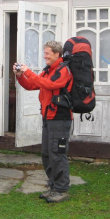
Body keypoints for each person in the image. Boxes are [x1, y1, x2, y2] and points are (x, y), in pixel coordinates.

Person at [14, 40, 73, 203]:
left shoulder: (63, 70)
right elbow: (34, 84)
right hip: (48, 117)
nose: (44, 56)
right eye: (44, 52)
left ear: (56, 54)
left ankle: (61, 189)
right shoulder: (49, 70)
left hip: (60, 119)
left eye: (47, 53)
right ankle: (53, 185)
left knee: (57, 153)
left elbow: (50, 84)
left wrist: (29, 71)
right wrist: (21, 76)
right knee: (47, 153)